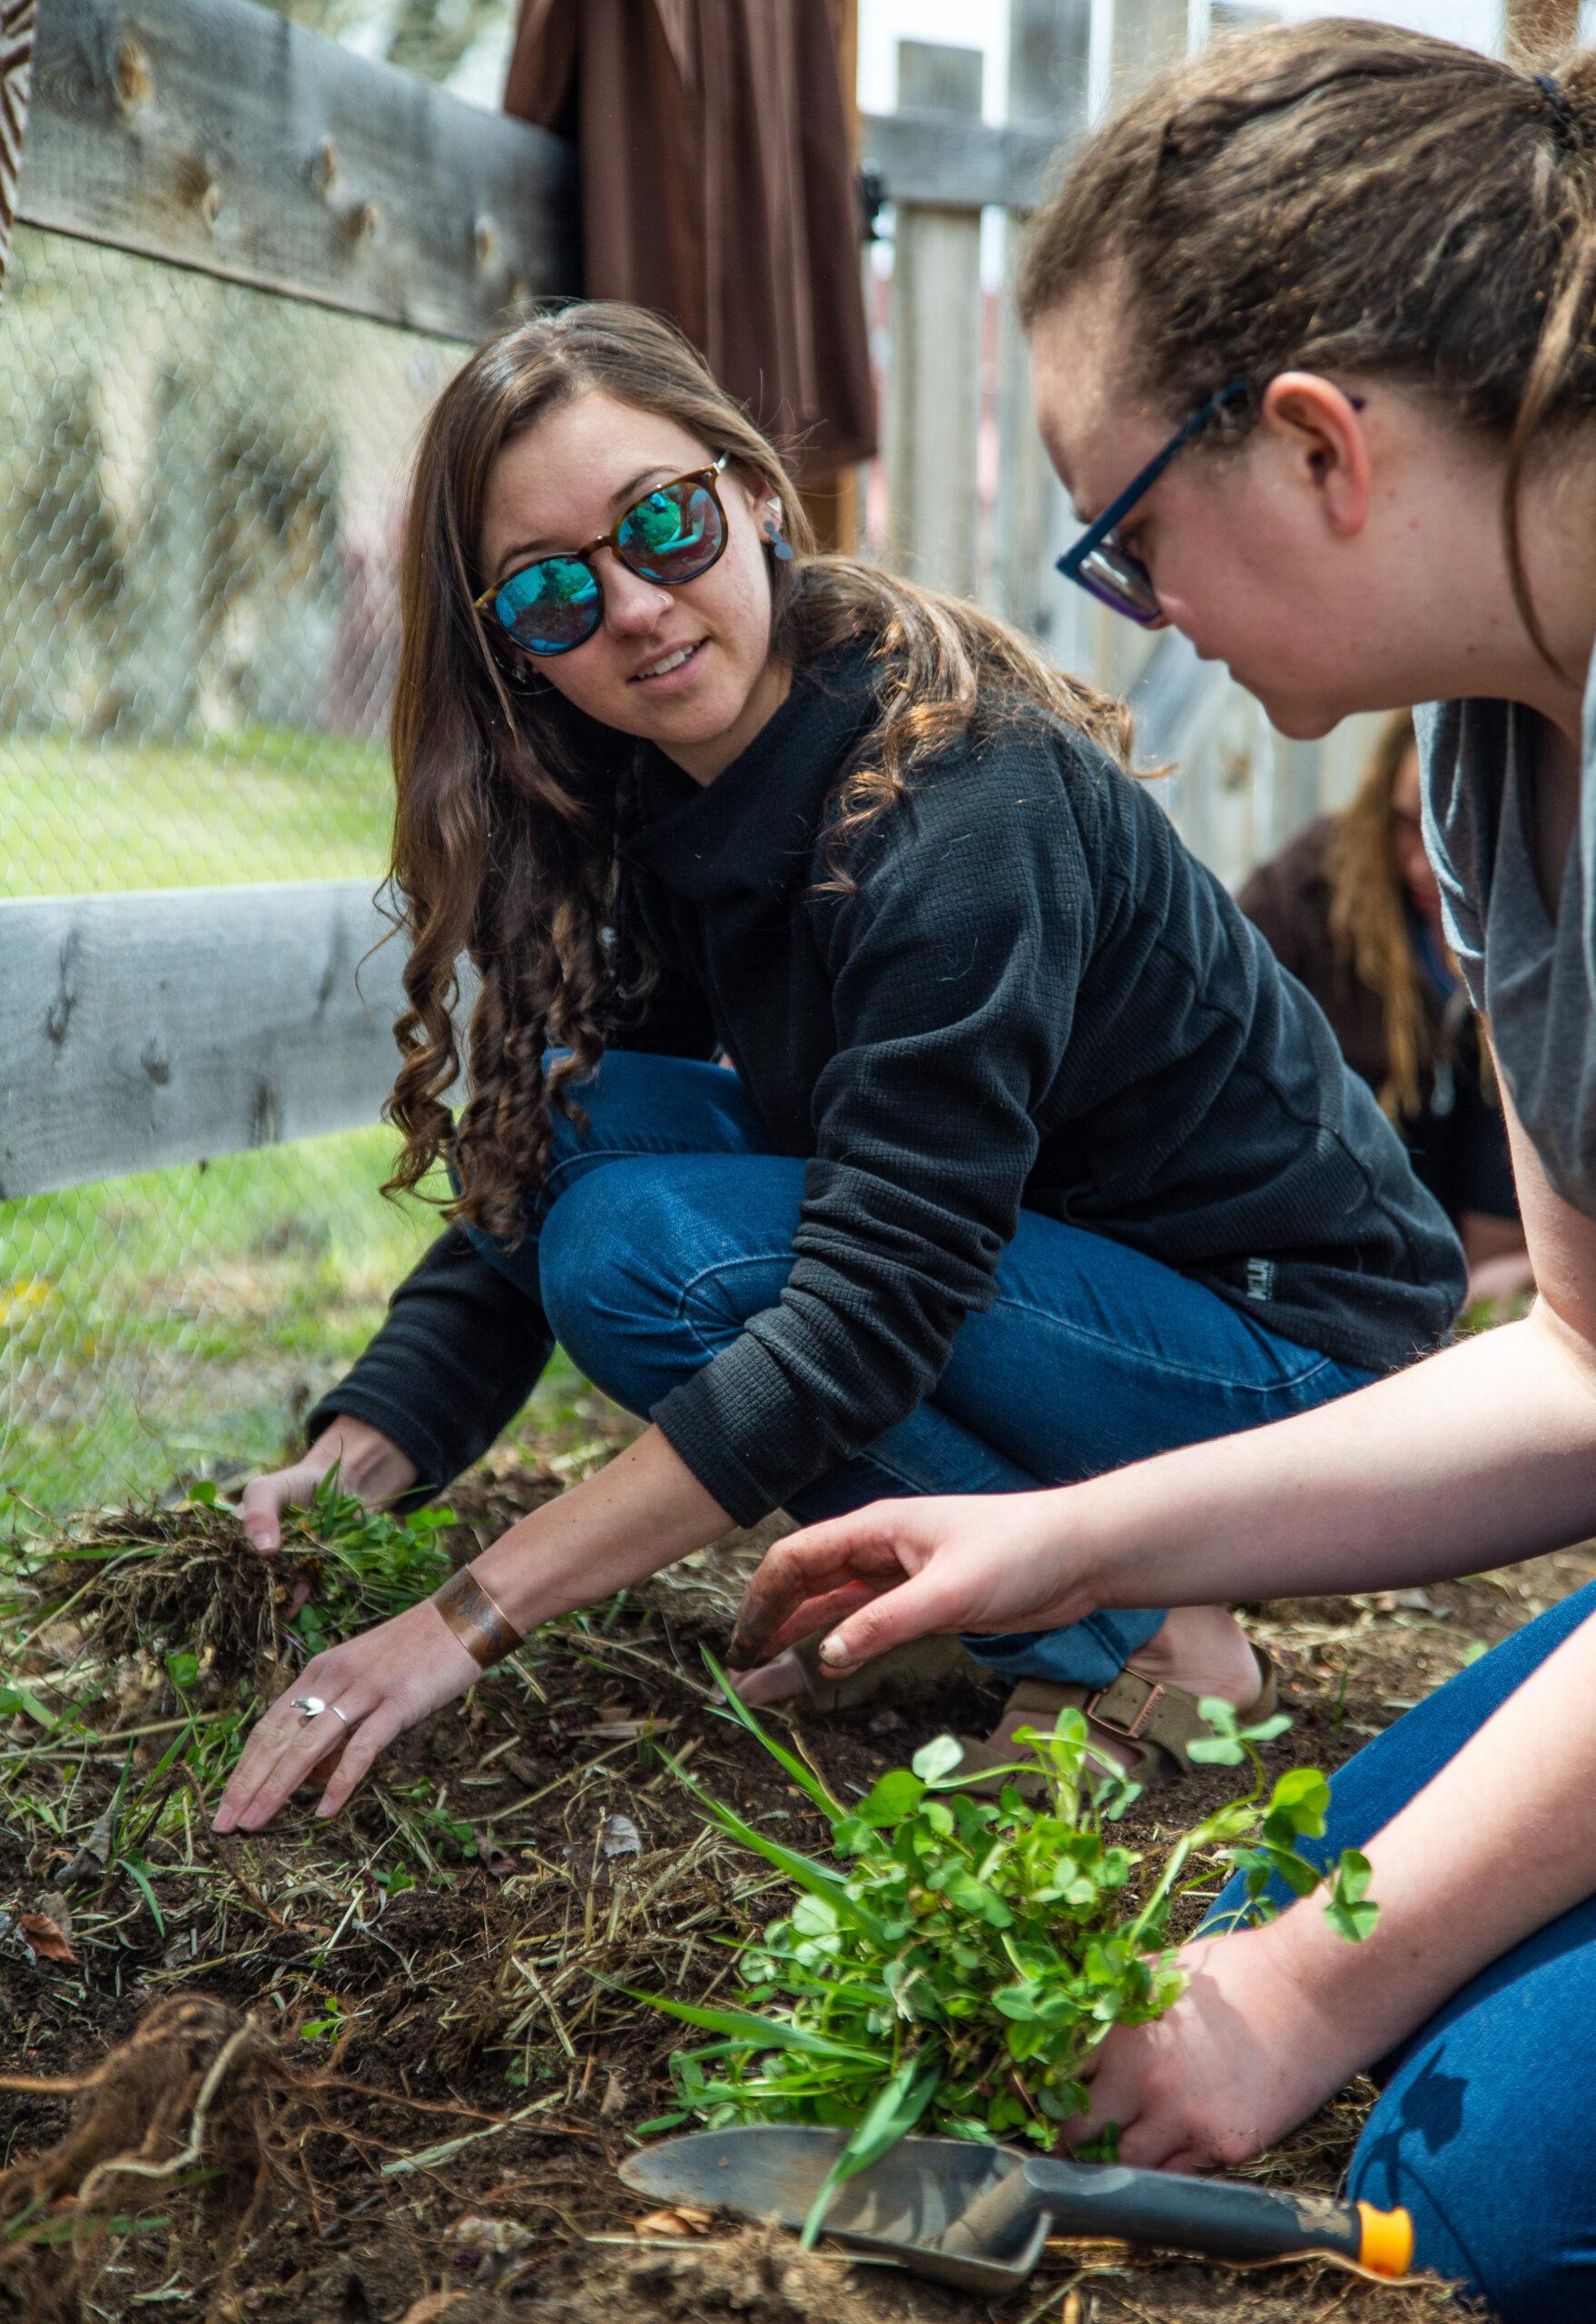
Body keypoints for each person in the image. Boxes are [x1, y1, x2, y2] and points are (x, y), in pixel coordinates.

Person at [729, 27, 1596, 2321]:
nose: (1132, 608)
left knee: (1470, 2166)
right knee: (1325, 1870)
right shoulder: (1499, 771)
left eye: (1120, 534)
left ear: (1312, 442)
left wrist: (1293, 2000)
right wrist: (1072, 1532)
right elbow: (1581, 1368)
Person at [211, 300, 1460, 1836]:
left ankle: (1139, 1637)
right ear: (512, 650)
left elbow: (874, 1306)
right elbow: (547, 1152)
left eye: (659, 523)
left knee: (643, 1256)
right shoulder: (663, 794)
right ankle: (1050, 1595)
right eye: (548, 594)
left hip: (1302, 1378)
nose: (633, 608)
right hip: (1074, 1286)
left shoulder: (957, 796)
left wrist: (456, 1624)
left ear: (748, 491)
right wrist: (365, 1448)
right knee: (596, 1130)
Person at [1239, 711, 1532, 1305]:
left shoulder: (1548, 928)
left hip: (1482, 1264)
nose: (1425, 865)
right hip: (1329, 1256)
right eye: (1406, 826)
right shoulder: (1313, 896)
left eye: (1452, 832)